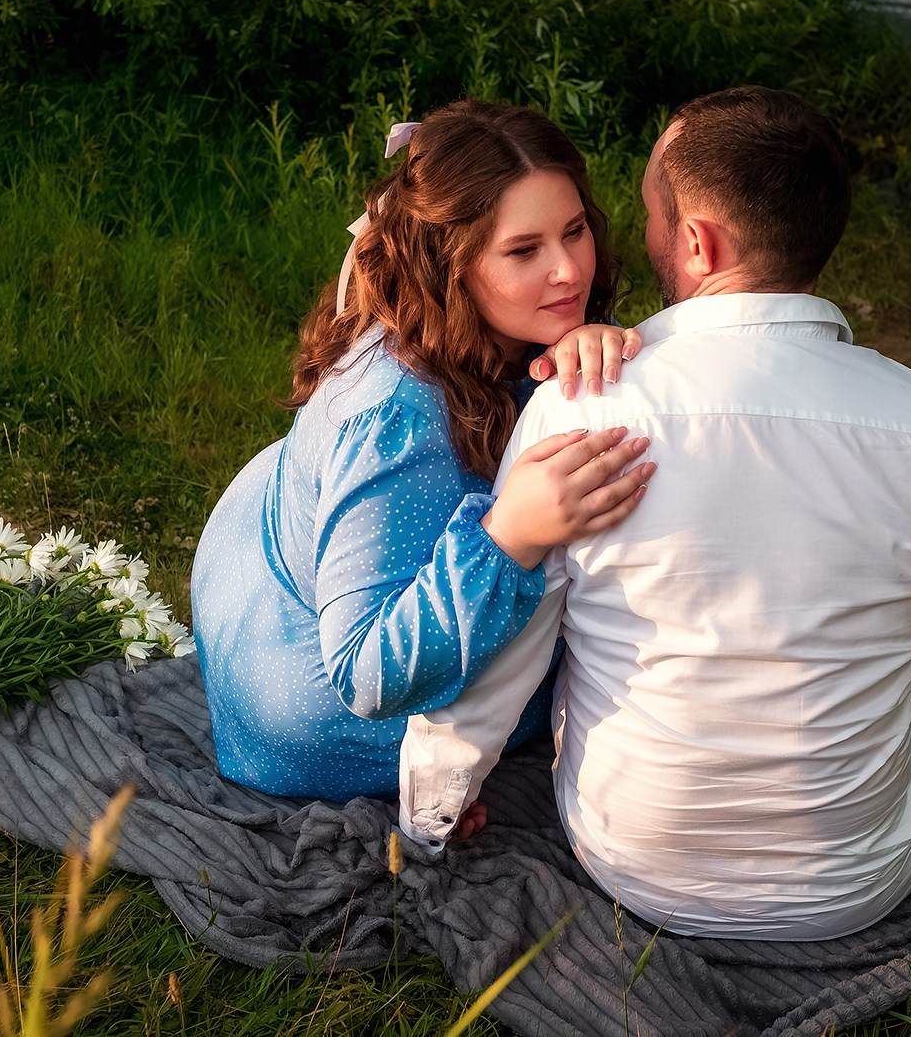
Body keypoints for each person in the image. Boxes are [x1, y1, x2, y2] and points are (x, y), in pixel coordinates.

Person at [399, 86, 911, 940]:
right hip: (858, 883)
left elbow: (506, 656)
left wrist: (427, 815)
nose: (633, 233)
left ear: (696, 241)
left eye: (651, 209)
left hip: (630, 862)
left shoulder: (582, 407)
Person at [190, 100, 655, 802]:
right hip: (321, 715)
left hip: (276, 561)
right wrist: (509, 537)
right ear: (449, 265)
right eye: (523, 251)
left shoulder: (499, 319)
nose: (568, 270)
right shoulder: (399, 418)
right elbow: (364, 675)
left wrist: (594, 340)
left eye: (574, 230)